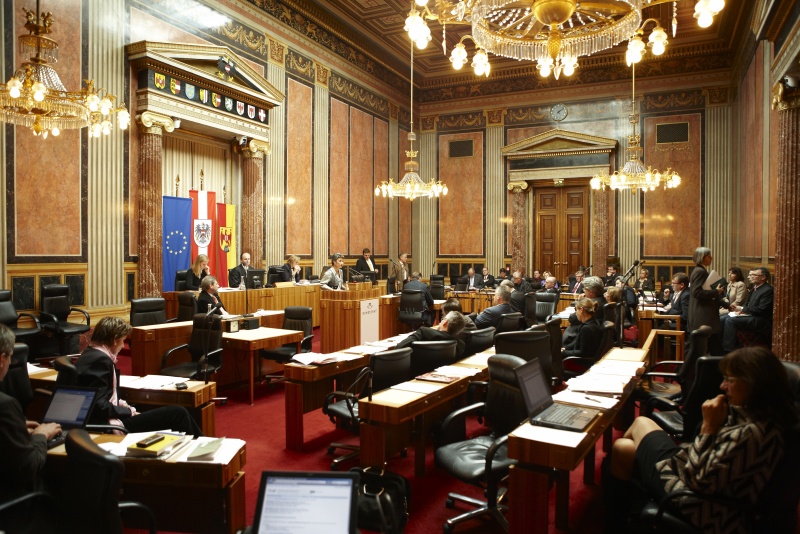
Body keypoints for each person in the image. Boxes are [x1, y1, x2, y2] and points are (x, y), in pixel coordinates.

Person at [606, 347, 797, 533]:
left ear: (753, 384)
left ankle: (620, 518)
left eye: (729, 380)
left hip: (700, 504)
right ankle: (627, 518)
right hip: (699, 481)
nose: (722, 386)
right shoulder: (762, 417)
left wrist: (708, 427)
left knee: (636, 428)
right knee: (624, 448)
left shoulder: (752, 434)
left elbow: (696, 481)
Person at [75, 317, 203, 436]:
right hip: (106, 426)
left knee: (150, 409)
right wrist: (128, 411)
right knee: (178, 413)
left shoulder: (90, 354)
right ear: (115, 339)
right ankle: (206, 451)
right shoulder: (99, 360)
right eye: (123, 340)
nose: (122, 345)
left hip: (102, 419)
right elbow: (99, 406)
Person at [0, 324, 61, 501]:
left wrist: (15, 427)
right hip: (14, 504)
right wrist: (41, 435)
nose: (11, 363)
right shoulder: (5, 405)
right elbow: (27, 468)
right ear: (1, 359)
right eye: (10, 357)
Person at [720, 267, 774, 353]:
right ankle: (721, 347)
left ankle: (728, 350)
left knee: (730, 321)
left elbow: (761, 310)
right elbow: (747, 303)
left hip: (759, 319)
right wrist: (739, 311)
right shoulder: (754, 288)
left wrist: (742, 308)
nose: (749, 277)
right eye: (750, 275)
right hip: (750, 315)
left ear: (763, 277)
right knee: (722, 318)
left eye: (753, 275)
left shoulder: (768, 290)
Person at [688, 247, 724, 343]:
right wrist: (716, 291)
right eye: (708, 256)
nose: (711, 258)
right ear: (701, 257)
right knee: (708, 342)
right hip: (703, 312)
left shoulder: (698, 270)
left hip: (701, 311)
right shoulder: (700, 271)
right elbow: (697, 292)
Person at [396, 311, 466, 357]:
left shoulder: (424, 332)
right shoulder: (460, 345)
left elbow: (399, 348)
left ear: (445, 322)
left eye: (443, 318)